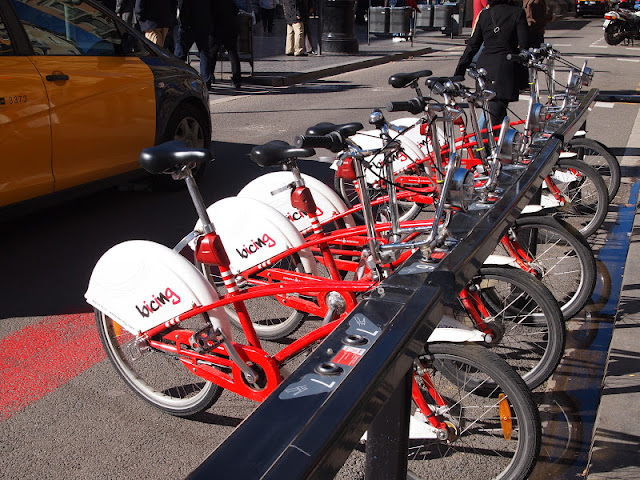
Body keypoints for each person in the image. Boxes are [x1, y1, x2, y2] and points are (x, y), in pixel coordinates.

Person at [454, 0, 528, 128]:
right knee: (494, 112)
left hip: (485, 68)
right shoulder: (517, 13)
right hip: (505, 68)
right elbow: (524, 46)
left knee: (497, 111)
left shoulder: (485, 14)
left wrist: (460, 71)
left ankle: (499, 143)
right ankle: (479, 142)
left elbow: (473, 45)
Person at [175, 0, 214, 89]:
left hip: (189, 26)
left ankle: (177, 79)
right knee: (204, 53)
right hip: (203, 24)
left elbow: (183, 6)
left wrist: (182, 24)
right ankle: (206, 81)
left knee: (180, 54)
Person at [210, 0, 242, 89]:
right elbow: (235, 10)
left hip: (216, 29)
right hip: (230, 27)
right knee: (233, 54)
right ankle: (237, 80)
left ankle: (209, 77)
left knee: (212, 54)